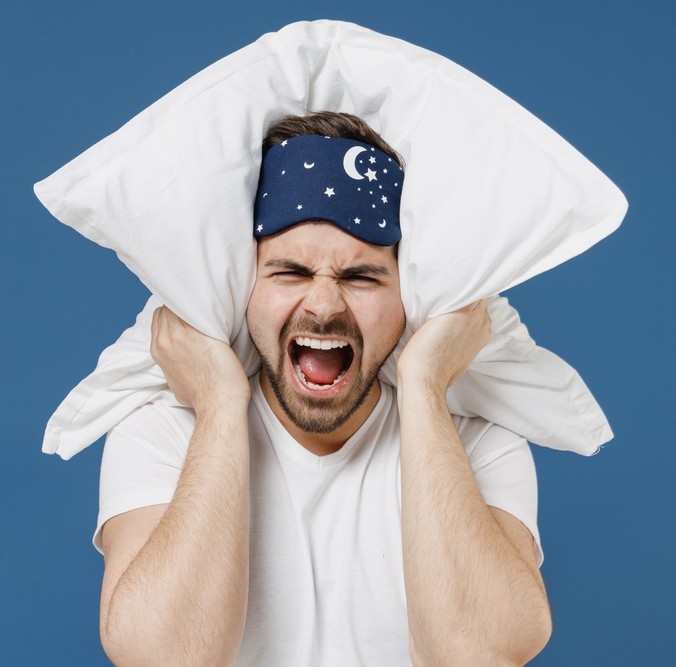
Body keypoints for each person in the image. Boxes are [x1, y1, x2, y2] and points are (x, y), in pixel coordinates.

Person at [95, 112, 552, 667]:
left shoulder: (481, 446)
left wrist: (425, 385)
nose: (324, 305)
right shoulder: (162, 434)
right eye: (289, 271)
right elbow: (164, 658)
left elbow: (478, 655)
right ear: (243, 290)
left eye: (362, 277)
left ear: (408, 300)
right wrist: (217, 406)